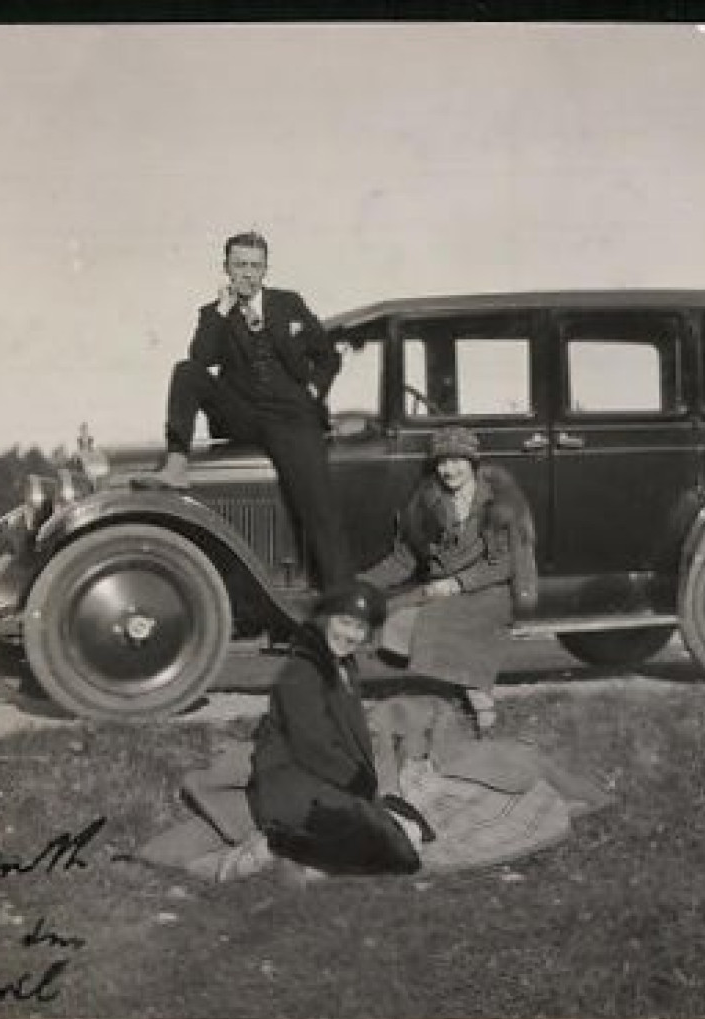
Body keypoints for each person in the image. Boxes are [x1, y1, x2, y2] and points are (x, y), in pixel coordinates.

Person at [136, 230, 350, 588]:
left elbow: (327, 354)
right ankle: (176, 463)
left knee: (318, 506)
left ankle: (342, 602)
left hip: (292, 417)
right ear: (226, 269)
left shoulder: (288, 303)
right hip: (243, 414)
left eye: (254, 266)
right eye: (239, 266)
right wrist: (221, 311)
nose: (247, 274)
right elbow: (201, 358)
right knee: (185, 372)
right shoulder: (214, 313)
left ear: (265, 269)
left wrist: (313, 390)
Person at [359, 426, 537, 735]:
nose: (449, 470)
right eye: (442, 462)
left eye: (457, 461)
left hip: (489, 591)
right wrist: (362, 583)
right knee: (391, 620)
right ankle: (453, 697)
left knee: (445, 624)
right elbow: (405, 559)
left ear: (472, 463)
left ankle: (484, 714)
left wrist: (457, 584)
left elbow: (504, 564)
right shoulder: (427, 503)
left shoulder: (497, 503)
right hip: (442, 588)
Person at [243, 581, 424, 877]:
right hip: (291, 781)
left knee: (410, 833)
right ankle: (281, 848)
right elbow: (311, 746)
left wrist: (366, 784)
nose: (349, 635)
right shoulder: (302, 670)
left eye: (359, 628)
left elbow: (346, 735)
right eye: (343, 622)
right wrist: (358, 781)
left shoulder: (343, 665)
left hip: (325, 779)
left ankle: (309, 855)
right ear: (324, 618)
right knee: (397, 854)